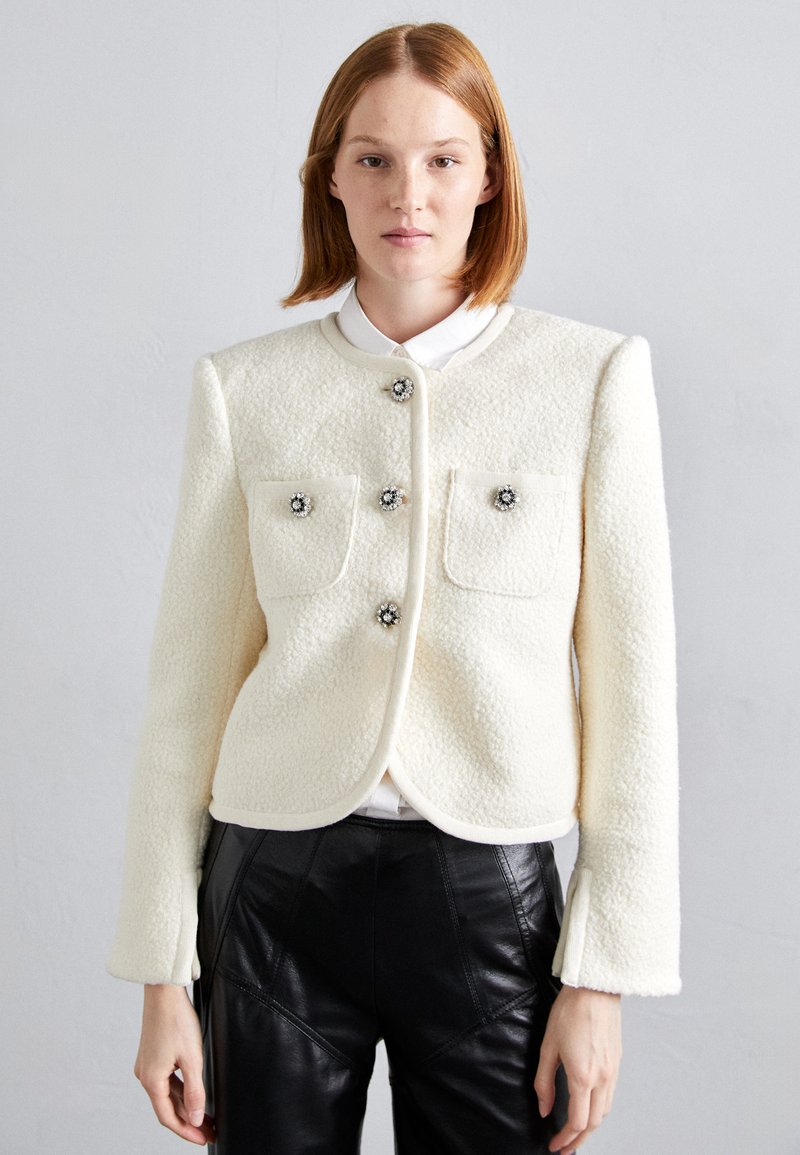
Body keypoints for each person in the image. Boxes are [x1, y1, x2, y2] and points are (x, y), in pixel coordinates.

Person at [107, 21, 680, 1155]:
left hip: (487, 901)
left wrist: (601, 976)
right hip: (271, 895)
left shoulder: (587, 379)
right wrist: (162, 973)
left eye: (441, 159)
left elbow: (634, 696)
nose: (405, 193)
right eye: (371, 158)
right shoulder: (245, 390)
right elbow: (185, 695)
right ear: (329, 176)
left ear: (489, 177)